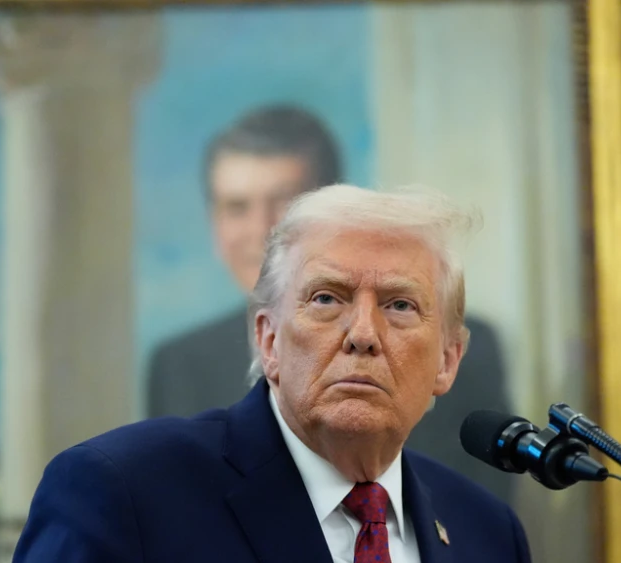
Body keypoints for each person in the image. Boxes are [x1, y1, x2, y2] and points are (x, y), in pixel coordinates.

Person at [14, 184, 531, 562]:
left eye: (399, 305)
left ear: (447, 360)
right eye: (326, 298)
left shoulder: (487, 532)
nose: (363, 334)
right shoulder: (123, 491)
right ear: (268, 340)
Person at [147, 104, 514, 502]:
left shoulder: (455, 350)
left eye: (285, 204)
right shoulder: (178, 364)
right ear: (267, 339)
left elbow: (473, 511)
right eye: (237, 207)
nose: (261, 230)